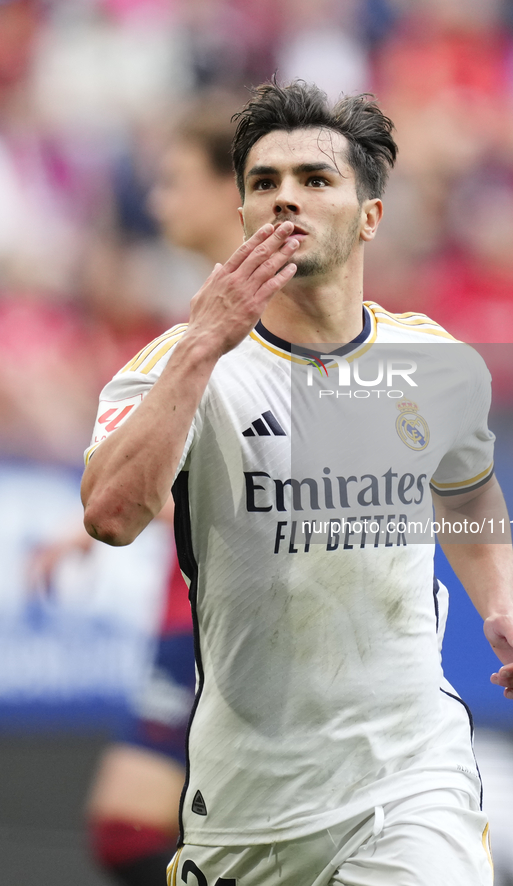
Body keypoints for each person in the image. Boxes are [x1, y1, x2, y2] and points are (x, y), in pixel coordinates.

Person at [81, 81, 513, 886]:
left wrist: (499, 606)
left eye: (313, 179)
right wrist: (203, 346)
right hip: (245, 809)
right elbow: (111, 516)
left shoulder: (432, 361)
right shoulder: (177, 365)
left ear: (367, 216)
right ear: (240, 216)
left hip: (409, 783)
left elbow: (467, 491)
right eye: (263, 183)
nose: (283, 199)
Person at [34, 100, 243, 886]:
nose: (157, 201)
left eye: (174, 180)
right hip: (186, 606)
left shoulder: (260, 315)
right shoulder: (203, 311)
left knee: (137, 833)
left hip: (225, 616)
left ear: (232, 189)